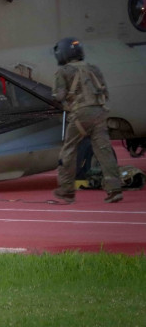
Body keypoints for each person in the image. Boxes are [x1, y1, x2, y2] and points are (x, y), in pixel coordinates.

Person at [52, 37, 123, 204]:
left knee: (68, 151)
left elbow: (59, 96)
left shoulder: (63, 72)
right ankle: (114, 189)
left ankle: (66, 191)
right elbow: (104, 91)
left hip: (79, 115)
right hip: (99, 113)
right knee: (104, 151)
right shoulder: (94, 69)